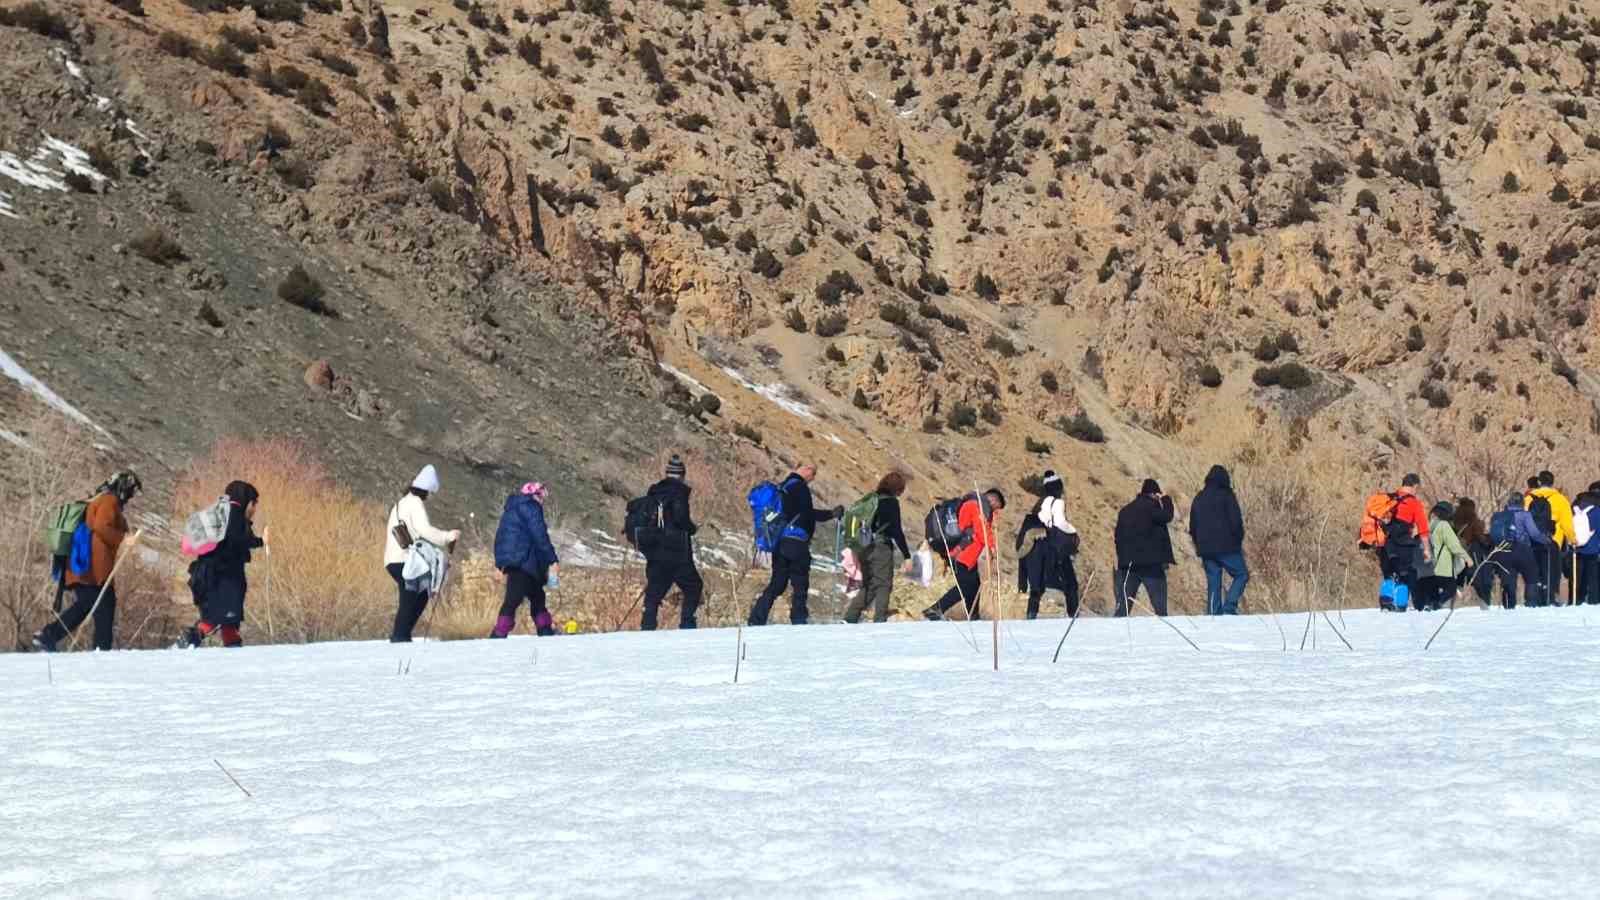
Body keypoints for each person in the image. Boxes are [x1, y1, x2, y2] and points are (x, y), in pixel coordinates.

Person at [33, 471, 140, 652]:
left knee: (91, 605)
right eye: (130, 491)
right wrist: (123, 538)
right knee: (101, 606)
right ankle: (52, 636)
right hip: (90, 570)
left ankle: (51, 636)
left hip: (84, 568)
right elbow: (101, 526)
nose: (130, 497)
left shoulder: (101, 499)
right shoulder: (109, 501)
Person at [748, 465, 842, 626]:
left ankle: (756, 618)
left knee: (777, 583)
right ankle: (799, 619)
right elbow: (807, 513)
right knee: (800, 582)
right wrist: (831, 514)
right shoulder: (800, 487)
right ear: (804, 470)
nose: (813, 477)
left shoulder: (784, 486)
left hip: (780, 542)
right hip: (796, 541)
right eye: (813, 473)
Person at [178, 481, 267, 648]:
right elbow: (238, 540)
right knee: (215, 620)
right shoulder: (234, 515)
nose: (254, 508)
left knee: (228, 622)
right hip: (222, 579)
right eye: (253, 503)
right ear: (245, 499)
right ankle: (187, 643)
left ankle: (232, 653)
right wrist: (261, 541)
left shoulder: (225, 513)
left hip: (213, 577)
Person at [384, 465, 460, 643]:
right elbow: (424, 529)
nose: (429, 497)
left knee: (414, 595)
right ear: (426, 489)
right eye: (430, 492)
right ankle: (400, 637)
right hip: (405, 560)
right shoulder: (415, 504)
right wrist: (447, 537)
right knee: (412, 597)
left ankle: (401, 635)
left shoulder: (401, 503)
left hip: (393, 560)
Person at [636, 455, 704, 631]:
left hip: (655, 551)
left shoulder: (654, 493)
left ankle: (647, 627)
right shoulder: (679, 493)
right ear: (681, 475)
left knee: (654, 592)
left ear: (666, 474)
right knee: (693, 586)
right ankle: (687, 623)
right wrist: (692, 528)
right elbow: (681, 518)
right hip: (677, 551)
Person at [922, 488, 1006, 620]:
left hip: (968, 556)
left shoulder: (977, 505)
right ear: (993, 499)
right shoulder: (976, 505)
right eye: (997, 507)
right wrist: (993, 546)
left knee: (974, 584)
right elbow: (981, 531)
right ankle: (935, 609)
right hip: (960, 554)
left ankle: (973, 615)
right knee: (965, 587)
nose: (996, 511)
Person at [492, 481, 560, 637]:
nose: (542, 500)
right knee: (513, 599)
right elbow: (540, 536)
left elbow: (501, 538)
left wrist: (500, 563)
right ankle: (497, 635)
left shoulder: (512, 509)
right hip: (523, 561)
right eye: (541, 495)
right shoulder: (530, 507)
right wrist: (552, 559)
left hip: (517, 560)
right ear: (533, 495)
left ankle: (545, 631)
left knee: (537, 596)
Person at [843, 471, 912, 624]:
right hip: (881, 546)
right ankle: (880, 620)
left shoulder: (872, 499)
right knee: (884, 583)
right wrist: (907, 555)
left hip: (864, 546)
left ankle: (850, 617)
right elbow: (896, 530)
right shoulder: (891, 502)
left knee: (870, 584)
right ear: (897, 488)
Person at [1014, 471, 1080, 619]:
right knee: (1070, 585)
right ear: (1057, 489)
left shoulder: (1037, 507)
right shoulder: (1055, 505)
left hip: (1034, 554)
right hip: (1051, 551)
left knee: (1036, 589)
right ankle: (1074, 618)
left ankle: (1031, 616)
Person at [1189, 464, 1248, 615]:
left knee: (1213, 581)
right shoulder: (1227, 495)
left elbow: (1193, 525)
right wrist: (1238, 540)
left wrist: (1198, 544)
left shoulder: (1199, 497)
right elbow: (1236, 522)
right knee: (1241, 574)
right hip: (1227, 546)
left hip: (1206, 548)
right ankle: (1229, 607)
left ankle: (1213, 612)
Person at [1113, 479, 1176, 616]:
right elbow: (1167, 516)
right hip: (1151, 565)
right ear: (1154, 494)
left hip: (1128, 565)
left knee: (1122, 609)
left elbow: (1117, 537)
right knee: (1160, 610)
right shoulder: (1152, 509)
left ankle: (1116, 635)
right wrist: (1165, 500)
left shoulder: (1125, 511)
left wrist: (1122, 558)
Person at [1380, 473, 1431, 608]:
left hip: (1385, 541)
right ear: (1415, 486)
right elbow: (1423, 528)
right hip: (1403, 544)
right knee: (1404, 575)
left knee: (1388, 574)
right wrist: (1426, 549)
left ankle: (1386, 603)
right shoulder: (1414, 503)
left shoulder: (1389, 498)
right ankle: (1401, 605)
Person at [1524, 470, 1574, 606]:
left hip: (1532, 541)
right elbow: (1567, 523)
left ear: (1539, 482)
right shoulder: (1560, 499)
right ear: (1553, 483)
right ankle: (1550, 597)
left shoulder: (1529, 498)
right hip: (1553, 541)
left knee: (1534, 571)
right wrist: (1573, 539)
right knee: (1552, 571)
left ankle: (1534, 599)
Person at [1488, 492, 1541, 609]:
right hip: (1522, 550)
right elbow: (1534, 534)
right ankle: (1531, 605)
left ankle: (1508, 606)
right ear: (1522, 503)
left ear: (1509, 502)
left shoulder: (1499, 516)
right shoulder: (1525, 515)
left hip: (1503, 550)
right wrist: (1545, 540)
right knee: (1531, 576)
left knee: (1508, 580)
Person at [1417, 501, 1468, 612]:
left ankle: (1429, 605)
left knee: (1428, 598)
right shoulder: (1445, 527)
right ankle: (1436, 604)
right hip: (1439, 569)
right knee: (1450, 589)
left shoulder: (1424, 526)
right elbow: (1455, 549)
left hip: (1422, 570)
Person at [1452, 498, 1493, 606]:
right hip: (1471, 553)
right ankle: (1484, 603)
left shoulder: (1453, 520)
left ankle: (1450, 603)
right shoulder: (1474, 521)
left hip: (1456, 553)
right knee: (1478, 580)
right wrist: (1488, 543)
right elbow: (1480, 538)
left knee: (1457, 579)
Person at [1572, 491, 1600, 606]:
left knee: (1579, 577)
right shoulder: (1597, 512)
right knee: (1593, 576)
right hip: (1593, 549)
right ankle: (1593, 600)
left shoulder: (1575, 510)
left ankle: (1578, 599)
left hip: (1577, 548)